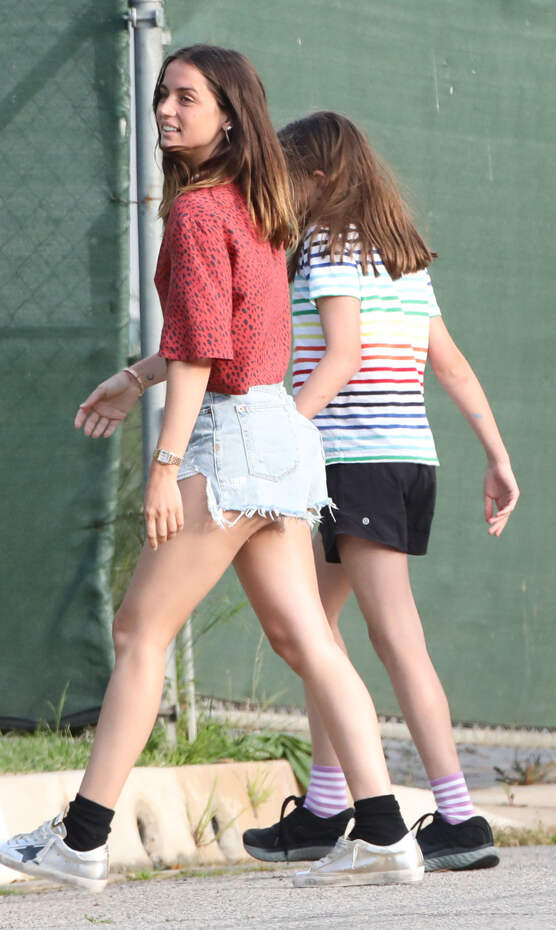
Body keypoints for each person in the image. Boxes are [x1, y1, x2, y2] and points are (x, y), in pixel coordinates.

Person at [0, 49, 424, 892]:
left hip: (229, 438)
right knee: (308, 639)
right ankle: (383, 831)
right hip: (280, 433)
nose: (165, 108)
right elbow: (219, 334)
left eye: (186, 97)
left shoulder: (195, 212)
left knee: (137, 633)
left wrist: (164, 465)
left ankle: (81, 840)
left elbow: (200, 353)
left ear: (230, 115)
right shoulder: (259, 207)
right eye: (162, 95)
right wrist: (133, 377)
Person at [242, 111, 520, 873]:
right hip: (400, 461)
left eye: (287, 178)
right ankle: (327, 806)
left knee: (393, 638)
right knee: (315, 630)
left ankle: (459, 819)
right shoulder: (400, 256)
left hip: (355, 461)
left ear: (319, 179)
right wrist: (497, 455)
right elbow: (450, 364)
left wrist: (277, 432)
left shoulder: (328, 249)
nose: (279, 191)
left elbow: (341, 356)